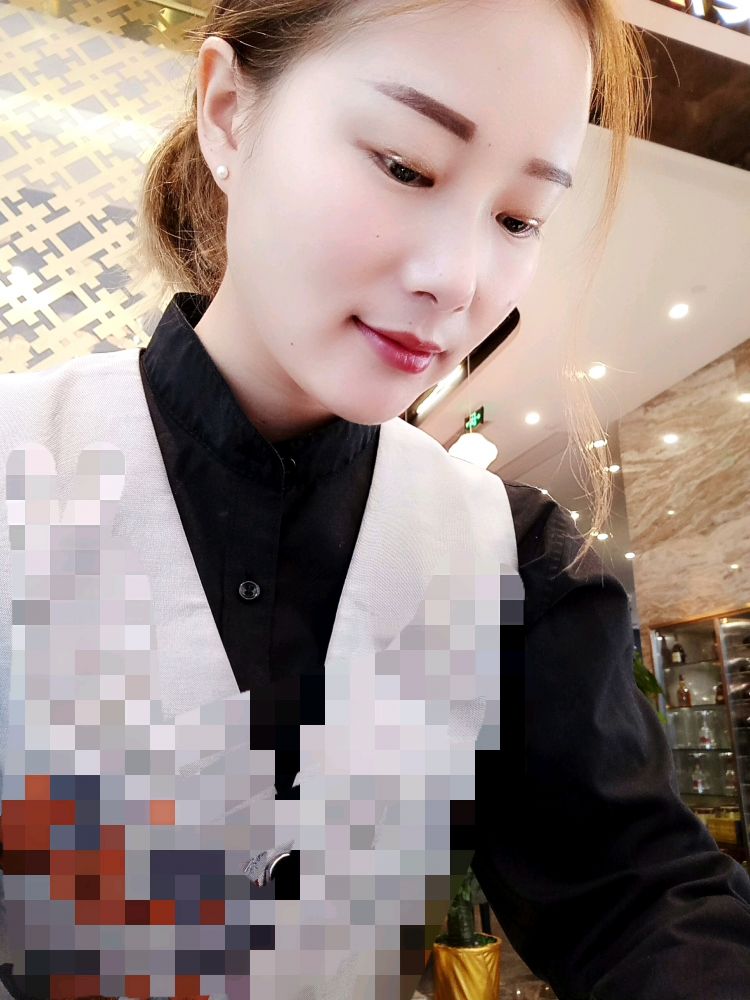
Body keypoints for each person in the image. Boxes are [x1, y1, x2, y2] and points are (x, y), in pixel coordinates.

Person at [0, 1, 749, 999]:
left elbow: (636, 894)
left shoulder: (508, 555)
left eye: (519, 219)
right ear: (227, 112)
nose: (457, 278)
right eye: (405, 166)